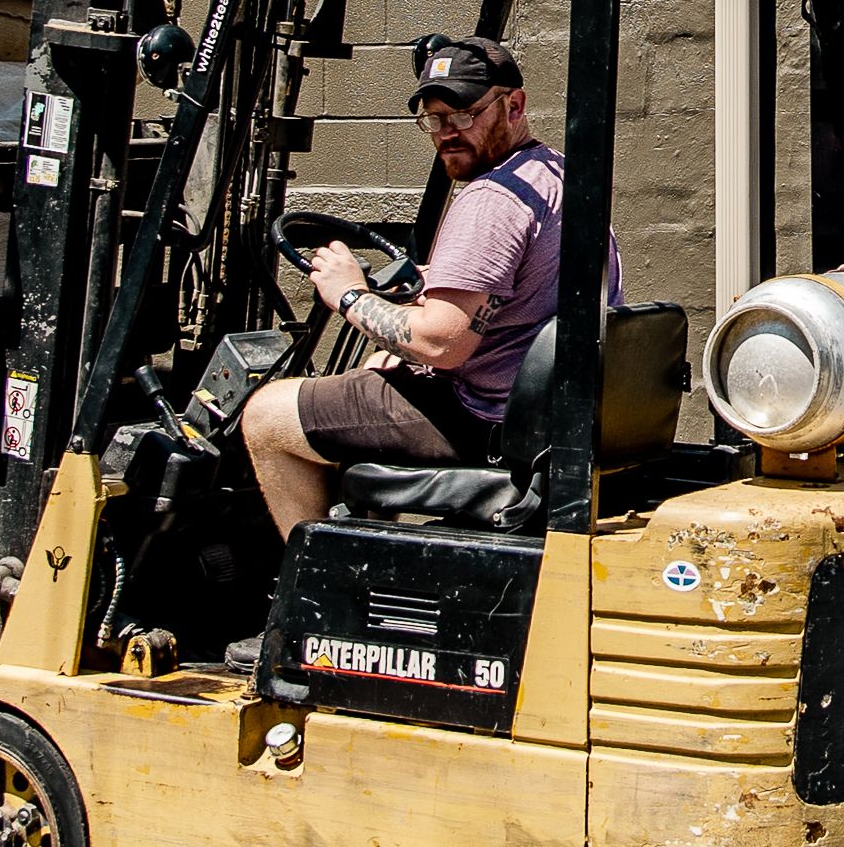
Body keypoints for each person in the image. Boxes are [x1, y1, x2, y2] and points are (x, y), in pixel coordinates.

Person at [239, 32, 620, 537]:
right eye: (435, 120)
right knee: (378, 367)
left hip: (486, 419)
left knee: (266, 416)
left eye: (464, 115)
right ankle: (367, 557)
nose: (447, 133)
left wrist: (349, 294)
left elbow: (441, 343)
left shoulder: (494, 199)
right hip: (537, 406)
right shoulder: (557, 176)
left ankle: (311, 595)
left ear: (515, 105)